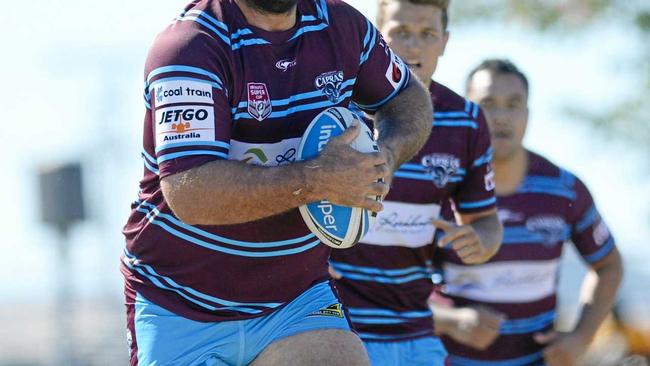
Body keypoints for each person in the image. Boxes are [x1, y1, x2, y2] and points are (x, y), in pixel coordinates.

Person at [120, 0, 434, 364]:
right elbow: (191, 193)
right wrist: (318, 179)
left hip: (295, 301)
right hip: (180, 301)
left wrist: (386, 158)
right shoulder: (190, 46)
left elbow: (408, 98)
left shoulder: (344, 27)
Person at [329, 1, 503, 364]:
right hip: (337, 329)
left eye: (427, 34)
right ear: (377, 37)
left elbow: (486, 223)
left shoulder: (467, 121)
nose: (413, 46)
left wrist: (480, 242)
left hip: (416, 330)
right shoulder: (335, 108)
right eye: (401, 33)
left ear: (445, 41)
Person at [432, 59, 624, 366]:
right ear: (468, 113)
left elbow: (609, 266)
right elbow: (390, 290)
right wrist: (451, 320)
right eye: (487, 104)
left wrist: (581, 338)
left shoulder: (564, 190)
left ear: (528, 113)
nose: (501, 117)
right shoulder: (438, 185)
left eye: (514, 104)